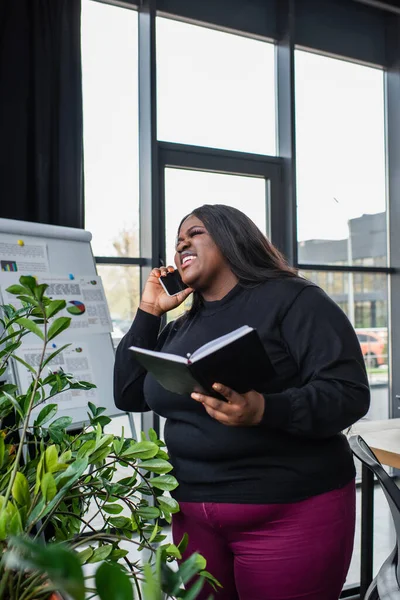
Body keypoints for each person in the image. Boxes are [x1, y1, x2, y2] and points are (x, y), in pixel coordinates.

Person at [114, 204, 370, 600]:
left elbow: (349, 392)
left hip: (290, 511)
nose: (182, 243)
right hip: (193, 517)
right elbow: (128, 393)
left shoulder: (294, 299)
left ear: (232, 238)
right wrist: (149, 311)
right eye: (178, 239)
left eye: (194, 233)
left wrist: (264, 409)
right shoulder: (183, 327)